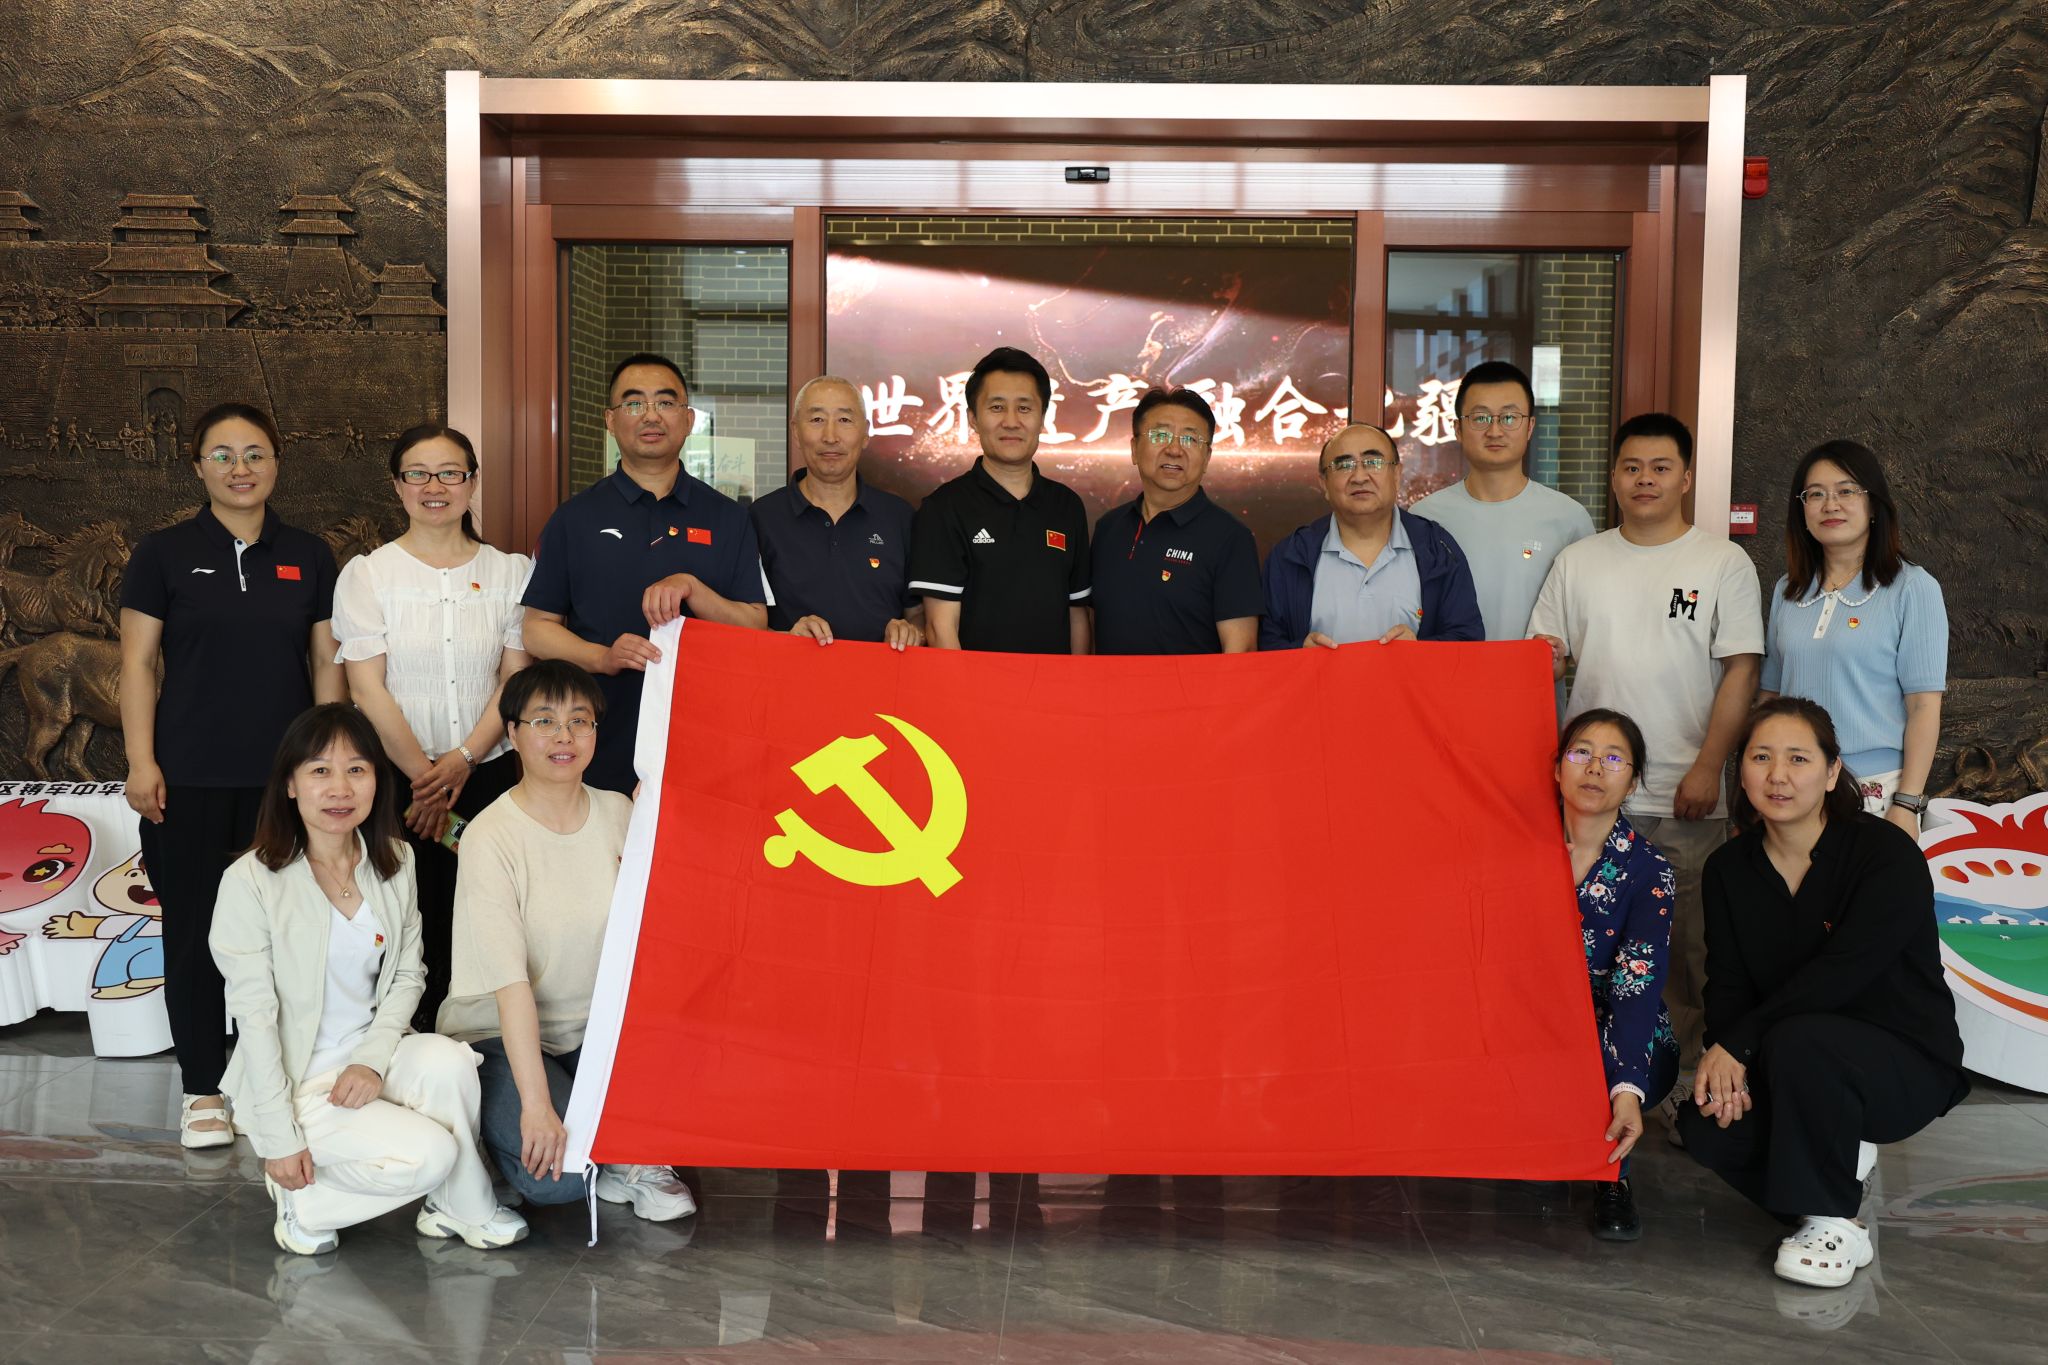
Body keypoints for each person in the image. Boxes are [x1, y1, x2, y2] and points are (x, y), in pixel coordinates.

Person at [210, 703, 526, 1255]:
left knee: (450, 1063)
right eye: (320, 771)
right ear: (290, 785)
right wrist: (279, 1138)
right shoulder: (251, 881)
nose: (340, 788)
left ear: (377, 781)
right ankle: (306, 1205)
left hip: (368, 1055)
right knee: (431, 1154)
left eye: (357, 769)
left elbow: (408, 973)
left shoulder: (394, 861)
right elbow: (254, 1018)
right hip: (298, 1079)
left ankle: (460, 1206)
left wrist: (372, 1059)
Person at [1677, 698, 1967, 1287]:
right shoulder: (1729, 868)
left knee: (1803, 1038)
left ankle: (1835, 1219)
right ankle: (1833, 1168)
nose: (1778, 776)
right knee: (1705, 1126)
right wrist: (1725, 1058)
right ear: (1742, 769)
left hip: (1900, 1063)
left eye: (1798, 759)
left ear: (1833, 772)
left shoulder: (1884, 854)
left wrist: (1741, 1044)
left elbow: (1844, 972)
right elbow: (1728, 980)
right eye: (1761, 757)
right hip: (1788, 1057)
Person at [118, 402, 345, 1149]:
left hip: (286, 787)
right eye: (222, 455)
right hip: (187, 780)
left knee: (287, 937)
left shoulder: (309, 554)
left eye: (254, 453)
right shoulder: (163, 553)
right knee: (195, 935)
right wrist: (142, 761)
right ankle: (203, 1089)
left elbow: (325, 663)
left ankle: (270, 1079)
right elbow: (137, 665)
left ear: (277, 462)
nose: (240, 468)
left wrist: (330, 764)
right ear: (198, 466)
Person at [1529, 412, 1762, 1069]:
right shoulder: (1579, 561)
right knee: (1580, 953)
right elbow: (1543, 659)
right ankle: (1585, 1081)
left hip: (1685, 795)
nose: (1645, 479)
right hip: (1591, 798)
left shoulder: (1722, 562)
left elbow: (1742, 671)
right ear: (1613, 477)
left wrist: (1709, 768)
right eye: (1631, 467)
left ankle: (1674, 1085)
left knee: (1682, 954)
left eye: (1661, 467)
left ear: (1686, 478)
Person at [436, 660, 696, 1221]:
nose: (564, 736)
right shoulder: (490, 836)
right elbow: (511, 986)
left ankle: (624, 1155)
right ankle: (494, 1139)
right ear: (512, 734)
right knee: (557, 1181)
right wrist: (535, 1107)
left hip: (596, 1036)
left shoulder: (619, 812)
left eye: (580, 721)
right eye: (545, 721)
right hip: (499, 1035)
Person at [331, 423, 532, 1029]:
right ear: (397, 486)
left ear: (472, 482)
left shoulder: (512, 572)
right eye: (417, 474)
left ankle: (477, 1038)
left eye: (450, 473)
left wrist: (462, 761)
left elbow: (513, 679)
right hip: (396, 783)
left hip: (489, 775)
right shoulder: (368, 575)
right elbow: (366, 687)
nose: (434, 486)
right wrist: (427, 780)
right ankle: (401, 1040)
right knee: (402, 910)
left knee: (483, 908)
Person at [523, 354, 768, 793]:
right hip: (596, 738)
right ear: (610, 420)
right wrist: (604, 657)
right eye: (634, 403)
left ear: (688, 419)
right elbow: (536, 630)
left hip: (707, 737)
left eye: (666, 403)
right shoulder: (574, 518)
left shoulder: (730, 518)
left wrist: (693, 588)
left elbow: (755, 625)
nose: (651, 415)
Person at [1759, 440, 1945, 837]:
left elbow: (1923, 706)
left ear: (1873, 505)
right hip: (1792, 784)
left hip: (1876, 791)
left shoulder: (1912, 588)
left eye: (1846, 491)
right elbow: (1770, 698)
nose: (1830, 505)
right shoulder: (1787, 591)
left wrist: (1907, 803)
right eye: (1815, 494)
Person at [1554, 708, 1679, 1242]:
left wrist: (1626, 1086)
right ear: (1556, 767)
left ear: (1632, 782)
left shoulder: (1650, 871)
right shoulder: (1516, 849)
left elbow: (1636, 986)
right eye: (1581, 752)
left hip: (1614, 1020)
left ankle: (1612, 1176)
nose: (1594, 768)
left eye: (1613, 759)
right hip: (1530, 1014)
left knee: (1606, 1058)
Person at [908, 346, 1092, 653]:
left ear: (1042, 417)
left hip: (1053, 684)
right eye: (996, 407)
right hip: (975, 683)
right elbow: (941, 628)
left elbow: (1077, 615)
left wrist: (1075, 682)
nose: (1011, 421)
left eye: (1024, 408)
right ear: (973, 418)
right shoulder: (944, 508)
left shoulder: (1067, 506)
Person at [1410, 360, 1594, 641]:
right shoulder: (1424, 518)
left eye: (1509, 418)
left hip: (1534, 671)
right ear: (1458, 429)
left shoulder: (1569, 518)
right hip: (1449, 669)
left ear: (1530, 427)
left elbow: (1585, 618)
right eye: (1480, 418)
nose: (1494, 431)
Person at [1259, 422, 1483, 648]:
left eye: (1373, 462)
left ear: (1396, 475)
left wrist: (1421, 652)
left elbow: (1467, 638)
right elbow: (1266, 644)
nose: (1359, 477)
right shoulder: (1290, 556)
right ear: (1324, 483)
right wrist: (1300, 654)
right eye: (1344, 465)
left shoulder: (1437, 548)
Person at [751, 376, 923, 649]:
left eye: (844, 420)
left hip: (880, 674)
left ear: (865, 433)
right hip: (789, 674)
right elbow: (742, 624)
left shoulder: (899, 517)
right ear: (796, 431)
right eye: (817, 419)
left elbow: (919, 615)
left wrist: (911, 632)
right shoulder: (760, 518)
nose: (830, 437)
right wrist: (785, 638)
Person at [1089, 387, 1262, 654]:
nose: (1174, 450)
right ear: (1134, 449)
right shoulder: (1108, 528)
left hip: (1194, 684)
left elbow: (1242, 649)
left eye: (1190, 439)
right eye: (1160, 435)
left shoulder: (1230, 538)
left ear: (1207, 458)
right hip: (1108, 682)